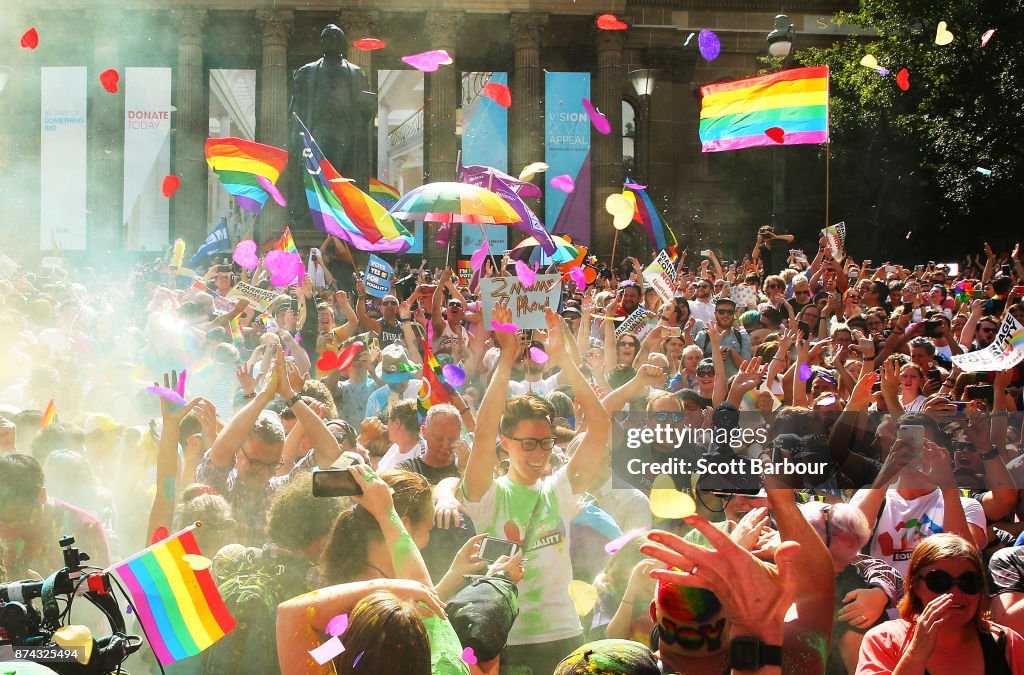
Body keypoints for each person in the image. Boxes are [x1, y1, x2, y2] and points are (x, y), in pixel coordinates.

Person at [457, 305, 612, 674]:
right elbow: (481, 435)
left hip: (564, 636)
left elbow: (601, 427)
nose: (539, 453)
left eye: (545, 443)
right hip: (506, 641)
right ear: (506, 443)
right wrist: (507, 357)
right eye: (528, 443)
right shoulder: (487, 494)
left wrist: (564, 360)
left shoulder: (559, 489)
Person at [857, 533, 1024, 674]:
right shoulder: (884, 640)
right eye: (939, 581)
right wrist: (915, 654)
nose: (955, 593)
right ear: (915, 586)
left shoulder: (1008, 643)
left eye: (969, 581)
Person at [287, 23, 375, 207]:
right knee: (319, 174)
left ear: (342, 43)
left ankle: (342, 214)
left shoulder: (356, 73)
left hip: (346, 132)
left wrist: (367, 107)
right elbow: (297, 107)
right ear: (322, 43)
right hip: (318, 131)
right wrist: (296, 134)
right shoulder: (307, 72)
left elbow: (366, 111)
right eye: (326, 37)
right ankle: (320, 212)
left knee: (343, 177)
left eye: (334, 37)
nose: (330, 41)